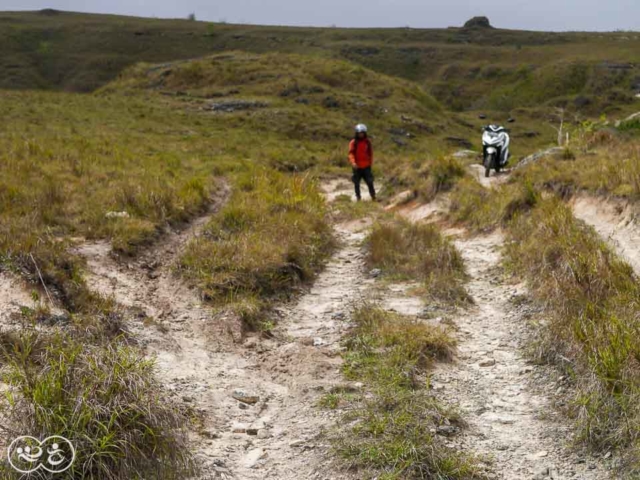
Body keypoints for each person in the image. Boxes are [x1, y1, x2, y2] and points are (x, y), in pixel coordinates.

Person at [348, 124, 376, 201]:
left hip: (366, 166)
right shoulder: (353, 142)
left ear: (365, 133)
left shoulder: (367, 142)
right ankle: (358, 198)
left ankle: (373, 196)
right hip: (357, 167)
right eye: (359, 133)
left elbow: (370, 153)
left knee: (370, 182)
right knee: (356, 183)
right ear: (356, 133)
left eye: (362, 133)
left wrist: (370, 163)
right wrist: (353, 163)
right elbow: (351, 153)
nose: (361, 134)